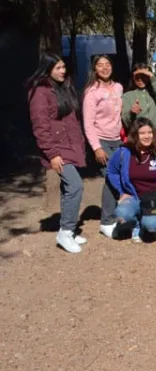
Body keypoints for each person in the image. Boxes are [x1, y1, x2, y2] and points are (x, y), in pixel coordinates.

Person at [28, 54, 88, 253]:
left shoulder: (63, 87)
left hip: (71, 147)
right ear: (47, 69)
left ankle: (67, 230)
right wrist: (52, 154)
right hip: (57, 150)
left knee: (68, 188)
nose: (63, 71)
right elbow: (40, 127)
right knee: (75, 186)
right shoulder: (40, 92)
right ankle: (65, 231)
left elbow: (72, 121)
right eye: (58, 68)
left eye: (63, 67)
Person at [106, 118, 156, 243]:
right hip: (134, 196)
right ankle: (137, 225)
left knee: (151, 226)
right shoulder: (124, 152)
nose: (147, 136)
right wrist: (122, 192)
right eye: (142, 133)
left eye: (150, 132)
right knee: (121, 214)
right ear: (135, 135)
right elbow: (111, 171)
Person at [82, 55, 123, 239]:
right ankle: (106, 221)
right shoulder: (92, 92)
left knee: (117, 178)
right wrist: (96, 147)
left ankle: (116, 215)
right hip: (102, 141)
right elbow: (88, 124)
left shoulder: (118, 87)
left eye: (107, 64)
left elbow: (119, 115)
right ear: (95, 69)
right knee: (111, 178)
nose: (105, 68)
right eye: (100, 65)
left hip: (118, 140)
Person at [121, 63, 156, 141]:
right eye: (137, 76)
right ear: (133, 77)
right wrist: (132, 113)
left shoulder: (155, 92)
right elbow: (125, 120)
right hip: (138, 135)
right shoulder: (127, 95)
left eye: (144, 75)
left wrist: (152, 76)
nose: (140, 79)